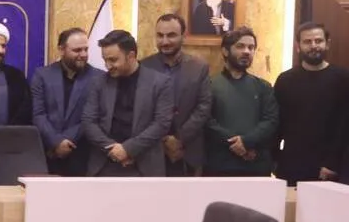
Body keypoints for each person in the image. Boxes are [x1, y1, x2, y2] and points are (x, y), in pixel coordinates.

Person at [80, 30, 173, 176]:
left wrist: (128, 149)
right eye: (105, 60)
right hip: (105, 163)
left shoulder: (160, 83)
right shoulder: (98, 83)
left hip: (144, 166)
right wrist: (113, 149)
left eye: (113, 60)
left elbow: (161, 124)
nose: (108, 66)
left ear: (131, 56)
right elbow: (88, 121)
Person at [273, 22, 349, 184]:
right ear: (298, 46)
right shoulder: (285, 80)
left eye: (318, 41)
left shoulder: (344, 79)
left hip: (332, 168)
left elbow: (345, 126)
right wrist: (275, 159)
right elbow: (277, 124)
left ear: (327, 43)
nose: (313, 46)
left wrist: (333, 163)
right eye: (307, 42)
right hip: (292, 165)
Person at [140, 14, 212, 176]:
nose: (165, 41)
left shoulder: (199, 67)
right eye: (160, 36)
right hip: (153, 151)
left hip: (188, 151)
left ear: (183, 36)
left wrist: (179, 139)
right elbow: (141, 110)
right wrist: (163, 140)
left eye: (171, 35)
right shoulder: (143, 67)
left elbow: (203, 107)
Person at [204, 27, 279, 177]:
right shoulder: (208, 85)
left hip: (256, 163)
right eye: (240, 46)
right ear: (225, 51)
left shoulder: (263, 87)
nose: (246, 51)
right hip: (220, 165)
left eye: (251, 48)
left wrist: (246, 142)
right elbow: (207, 121)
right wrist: (238, 145)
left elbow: (271, 121)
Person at [30, 27, 97, 176]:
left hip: (82, 155)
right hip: (47, 154)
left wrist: (66, 141)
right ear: (61, 50)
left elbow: (92, 117)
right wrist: (56, 142)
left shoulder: (98, 78)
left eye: (86, 49)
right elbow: (38, 114)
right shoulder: (42, 75)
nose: (83, 55)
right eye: (77, 50)